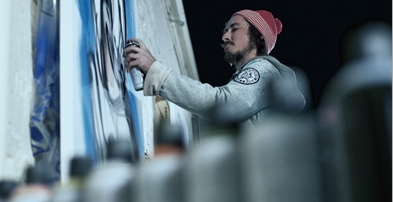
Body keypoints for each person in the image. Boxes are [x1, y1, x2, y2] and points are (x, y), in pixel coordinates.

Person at [123, 9, 306, 127]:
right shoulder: (252, 82)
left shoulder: (262, 69)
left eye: (234, 28)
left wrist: (155, 69)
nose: (226, 36)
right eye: (225, 30)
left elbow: (221, 103)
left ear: (257, 36)